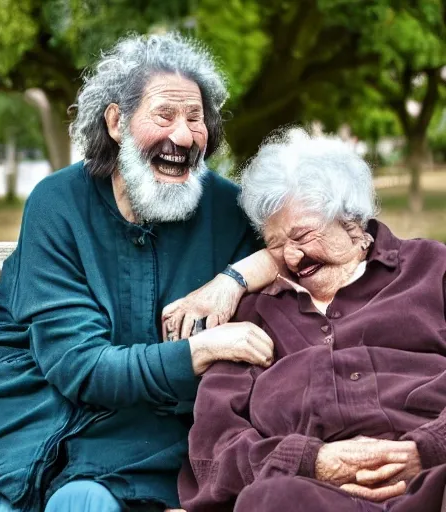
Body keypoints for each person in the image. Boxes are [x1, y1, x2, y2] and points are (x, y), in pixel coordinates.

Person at [0, 33, 278, 512]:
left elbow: (321, 239)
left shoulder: (227, 208)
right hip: (27, 408)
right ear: (116, 122)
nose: (184, 136)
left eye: (195, 118)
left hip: (140, 436)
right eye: (165, 115)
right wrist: (199, 350)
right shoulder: (58, 203)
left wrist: (234, 278)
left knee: (85, 500)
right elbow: (78, 364)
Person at [179, 128, 446, 512]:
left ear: (352, 221)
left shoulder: (431, 268)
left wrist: (430, 447)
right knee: (269, 500)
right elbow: (214, 444)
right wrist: (309, 462)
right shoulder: (252, 316)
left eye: (303, 235)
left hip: (434, 480)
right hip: (311, 495)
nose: (290, 257)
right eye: (274, 245)